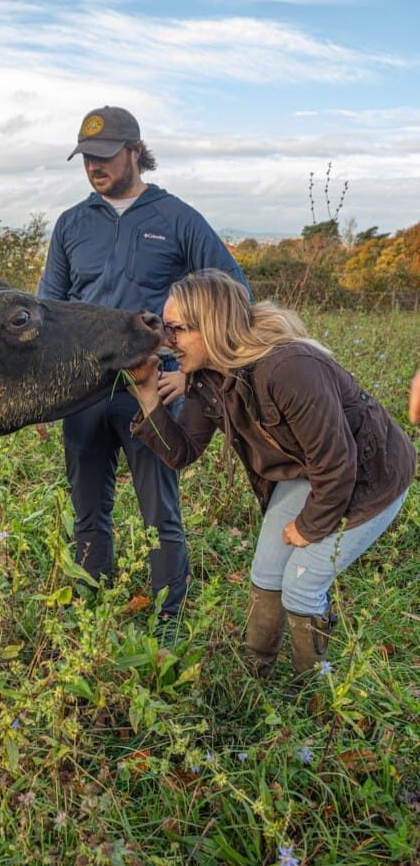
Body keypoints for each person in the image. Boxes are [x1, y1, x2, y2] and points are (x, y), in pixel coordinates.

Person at [127, 268, 416, 677]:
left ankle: (312, 687)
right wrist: (146, 393)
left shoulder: (289, 368)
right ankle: (257, 672)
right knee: (266, 572)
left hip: (370, 476)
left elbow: (337, 464)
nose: (167, 342)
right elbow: (183, 452)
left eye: (176, 329)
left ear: (211, 326)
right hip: (309, 470)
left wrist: (309, 526)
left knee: (301, 585)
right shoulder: (206, 375)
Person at [38, 106, 249, 633]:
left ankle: (167, 627)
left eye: (106, 156)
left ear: (136, 152)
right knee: (88, 515)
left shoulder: (176, 218)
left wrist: (187, 370)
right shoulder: (71, 224)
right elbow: (50, 313)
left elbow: (234, 292)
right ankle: (87, 623)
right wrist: (44, 390)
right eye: (87, 158)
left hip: (150, 392)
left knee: (161, 517)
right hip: (83, 396)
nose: (95, 167)